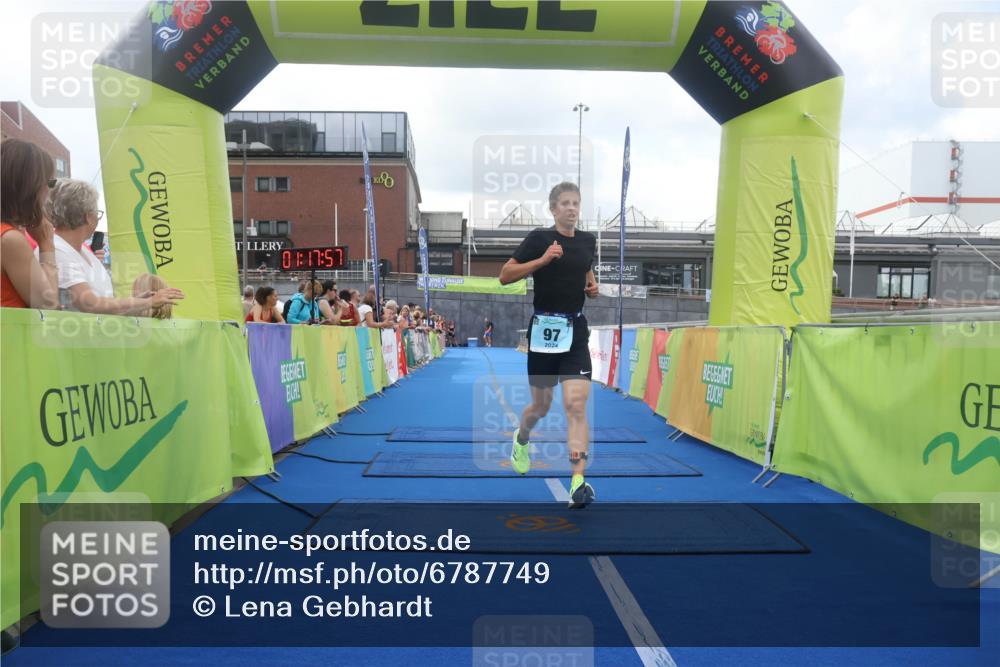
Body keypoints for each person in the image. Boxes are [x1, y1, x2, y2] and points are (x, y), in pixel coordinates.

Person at [499, 182, 598, 509]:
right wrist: (542, 261)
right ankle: (521, 438)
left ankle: (578, 481)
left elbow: (585, 266)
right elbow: (505, 275)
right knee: (540, 407)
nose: (572, 208)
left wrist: (591, 283)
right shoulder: (539, 239)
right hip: (543, 330)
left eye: (576, 203)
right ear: (554, 209)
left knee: (576, 404)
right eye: (565, 204)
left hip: (576, 331)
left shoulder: (588, 241)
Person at [45, 178, 184, 315]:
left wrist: (138, 301)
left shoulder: (82, 252)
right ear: (88, 217)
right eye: (97, 214)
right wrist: (149, 302)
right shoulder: (57, 250)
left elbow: (104, 306)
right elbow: (89, 303)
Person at [0, 139, 60, 309]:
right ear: (30, 186)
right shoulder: (9, 239)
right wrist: (46, 244)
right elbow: (48, 306)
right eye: (50, 183)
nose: (49, 190)